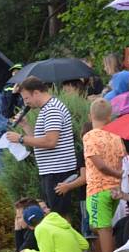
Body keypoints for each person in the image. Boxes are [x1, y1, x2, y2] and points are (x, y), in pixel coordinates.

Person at [6, 76, 77, 218]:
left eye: (26, 98)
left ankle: (65, 239)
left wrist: (20, 139)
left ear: (37, 93)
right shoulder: (46, 109)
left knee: (60, 214)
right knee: (55, 212)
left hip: (58, 169)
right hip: (51, 169)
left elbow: (50, 142)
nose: (26, 103)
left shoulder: (52, 109)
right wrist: (25, 126)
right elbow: (40, 141)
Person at [82, 98, 125, 252]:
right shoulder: (116, 136)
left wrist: (113, 172)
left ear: (90, 116)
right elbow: (123, 160)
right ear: (109, 117)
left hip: (97, 189)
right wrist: (118, 175)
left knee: (104, 230)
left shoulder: (90, 136)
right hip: (115, 188)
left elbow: (98, 164)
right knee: (103, 228)